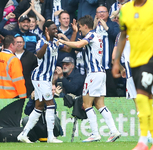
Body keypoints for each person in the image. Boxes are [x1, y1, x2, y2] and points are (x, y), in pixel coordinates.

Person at [112, 0, 153, 149]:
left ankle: (144, 140)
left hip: (152, 59)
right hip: (133, 63)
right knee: (146, 100)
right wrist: (117, 62)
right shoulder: (126, 10)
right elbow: (123, 35)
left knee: (141, 97)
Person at [58, 15, 121, 143]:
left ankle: (95, 133)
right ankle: (114, 131)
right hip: (101, 73)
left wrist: (63, 42)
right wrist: (75, 32)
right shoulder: (97, 36)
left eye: (80, 28)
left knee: (86, 104)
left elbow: (78, 44)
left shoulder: (91, 35)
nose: (80, 30)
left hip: (93, 74)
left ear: (86, 26)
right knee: (99, 104)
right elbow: (81, 44)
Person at [17, 20, 78, 143]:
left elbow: (67, 48)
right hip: (40, 78)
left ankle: (23, 134)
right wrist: (46, 40)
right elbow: (39, 55)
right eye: (54, 29)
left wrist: (75, 32)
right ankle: (51, 137)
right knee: (50, 104)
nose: (56, 31)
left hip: (45, 79)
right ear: (47, 30)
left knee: (39, 107)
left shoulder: (56, 42)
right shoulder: (41, 41)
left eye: (56, 29)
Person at [0, 35, 27, 99]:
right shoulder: (14, 60)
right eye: (16, 44)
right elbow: (18, 80)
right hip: (11, 97)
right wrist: (23, 97)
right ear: (11, 45)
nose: (17, 46)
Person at [94, 5, 120, 97]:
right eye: (99, 12)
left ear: (108, 13)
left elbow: (117, 36)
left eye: (103, 12)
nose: (101, 14)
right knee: (97, 92)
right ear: (96, 14)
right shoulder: (93, 26)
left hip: (109, 64)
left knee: (111, 90)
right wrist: (94, 26)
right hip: (96, 66)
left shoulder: (113, 24)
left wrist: (106, 27)